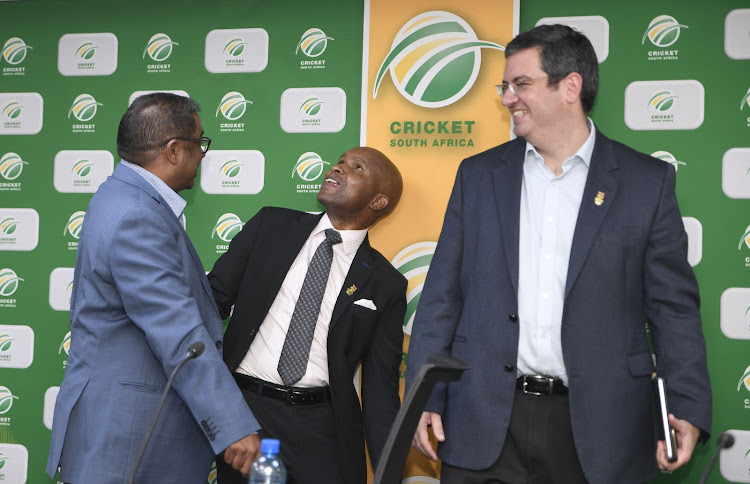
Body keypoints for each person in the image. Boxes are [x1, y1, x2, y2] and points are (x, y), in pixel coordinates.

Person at [406, 24, 711, 484]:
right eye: (504, 86)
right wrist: (423, 396)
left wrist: (686, 405)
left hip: (601, 431)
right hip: (483, 421)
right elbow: (441, 297)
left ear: (570, 86)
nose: (508, 97)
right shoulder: (478, 176)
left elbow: (673, 309)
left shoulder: (645, 182)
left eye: (521, 84)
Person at [46, 93, 261, 484]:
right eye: (201, 144)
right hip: (128, 433)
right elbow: (176, 330)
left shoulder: (122, 194)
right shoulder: (138, 215)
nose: (203, 155)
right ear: (175, 150)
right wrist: (232, 423)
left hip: (123, 422)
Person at [209, 146, 406, 484]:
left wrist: (390, 471)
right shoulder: (270, 226)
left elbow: (380, 389)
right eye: (341, 161)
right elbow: (211, 302)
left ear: (378, 201)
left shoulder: (386, 283)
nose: (339, 167)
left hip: (323, 428)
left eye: (356, 168)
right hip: (246, 414)